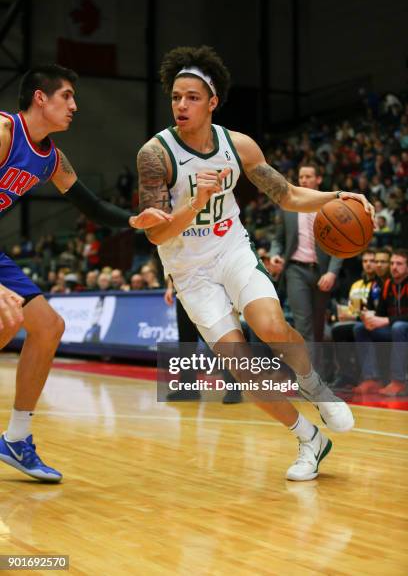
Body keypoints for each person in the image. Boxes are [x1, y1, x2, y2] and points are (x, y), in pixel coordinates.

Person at [137, 46, 374, 481]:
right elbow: (156, 233)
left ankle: (314, 386)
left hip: (231, 251)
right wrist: (196, 202)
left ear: (213, 102)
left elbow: (287, 195)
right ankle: (309, 438)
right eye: (175, 97)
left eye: (192, 97)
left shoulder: (237, 145)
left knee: (270, 325)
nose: (182, 105)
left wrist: (335, 197)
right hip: (189, 270)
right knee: (240, 365)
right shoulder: (156, 154)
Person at [0, 64, 172, 482]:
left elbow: (91, 206)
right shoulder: (4, 133)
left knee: (48, 327)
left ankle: (16, 440)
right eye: (66, 96)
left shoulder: (52, 159)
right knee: (6, 320)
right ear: (40, 98)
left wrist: (135, 220)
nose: (74, 106)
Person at [272, 164, 343, 348]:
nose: (303, 180)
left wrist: (332, 272)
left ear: (318, 179)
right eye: (301, 176)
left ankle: (321, 373)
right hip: (295, 269)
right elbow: (278, 239)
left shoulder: (331, 206)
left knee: (319, 327)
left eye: (308, 176)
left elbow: (341, 243)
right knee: (304, 325)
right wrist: (275, 254)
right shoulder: (288, 205)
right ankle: (310, 376)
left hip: (322, 271)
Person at [353, 250, 408, 396]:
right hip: (395, 329)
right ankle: (372, 378)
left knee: (398, 327)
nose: (394, 267)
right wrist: (369, 318)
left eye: (399, 264)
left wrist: (386, 320)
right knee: (360, 328)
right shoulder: (387, 284)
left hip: (401, 328)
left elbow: (386, 319)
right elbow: (380, 314)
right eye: (392, 263)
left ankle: (398, 381)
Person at [330, 249, 377, 389]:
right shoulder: (356, 284)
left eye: (372, 261)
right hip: (355, 320)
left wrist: (354, 315)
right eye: (365, 261)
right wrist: (343, 314)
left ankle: (362, 375)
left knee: (351, 329)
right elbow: (352, 308)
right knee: (337, 328)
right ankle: (346, 374)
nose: (368, 264)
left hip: (369, 321)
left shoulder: (378, 284)